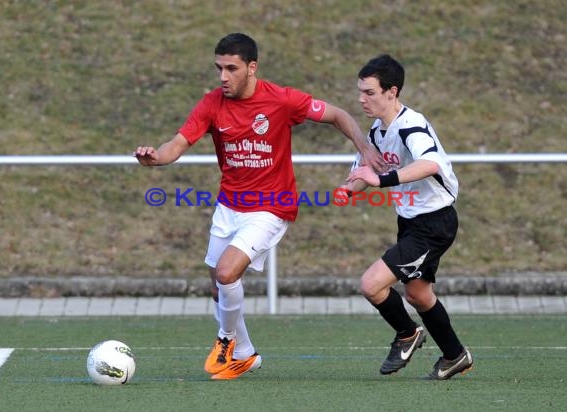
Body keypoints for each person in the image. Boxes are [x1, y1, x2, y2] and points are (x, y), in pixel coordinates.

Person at [133, 33, 383, 380]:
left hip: (271, 206)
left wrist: (365, 148)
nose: (223, 76)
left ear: (252, 68)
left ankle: (226, 341)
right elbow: (177, 143)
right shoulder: (211, 104)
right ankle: (246, 354)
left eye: (231, 68)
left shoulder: (281, 100)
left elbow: (338, 114)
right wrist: (156, 157)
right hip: (229, 205)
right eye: (219, 68)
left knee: (226, 273)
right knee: (216, 280)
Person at [339, 54, 473, 380]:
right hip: (412, 222)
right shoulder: (377, 131)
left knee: (371, 284)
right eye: (360, 91)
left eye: (369, 92)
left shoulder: (410, 126)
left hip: (434, 223)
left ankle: (407, 334)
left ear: (391, 92)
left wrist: (381, 181)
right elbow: (365, 171)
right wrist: (349, 187)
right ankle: (455, 355)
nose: (362, 98)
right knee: (418, 294)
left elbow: (430, 164)